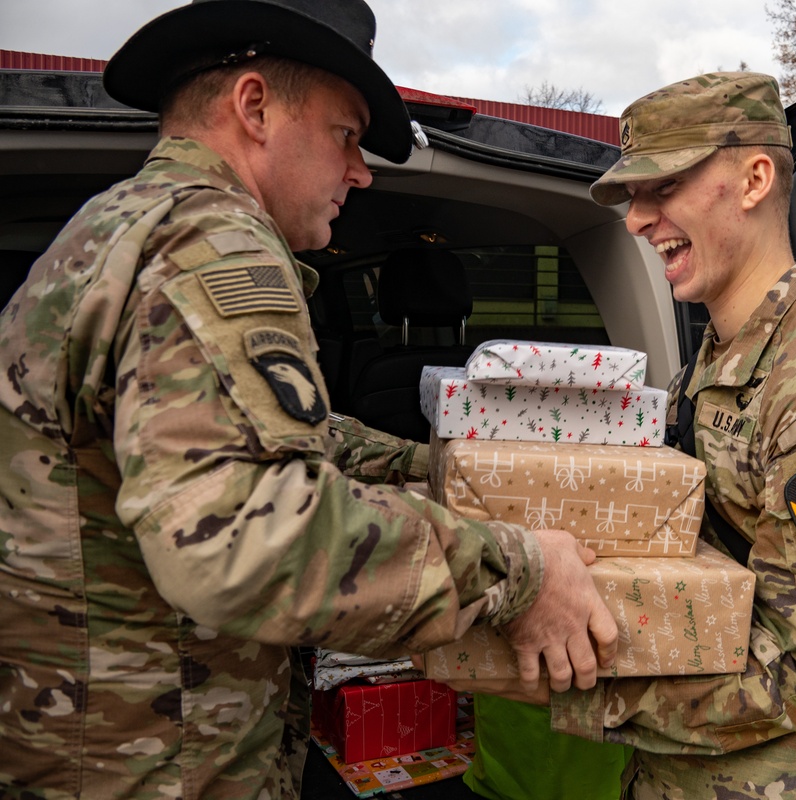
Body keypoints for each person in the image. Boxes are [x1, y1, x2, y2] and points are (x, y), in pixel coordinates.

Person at [0, 1, 618, 797]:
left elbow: (288, 440)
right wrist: (520, 571)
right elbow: (240, 536)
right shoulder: (213, 240)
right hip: (150, 761)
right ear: (254, 107)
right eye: (347, 136)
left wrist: (455, 469)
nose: (361, 172)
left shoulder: (121, 224)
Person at [451, 73, 796, 800]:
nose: (638, 220)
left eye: (662, 187)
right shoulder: (703, 373)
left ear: (754, 179)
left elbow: (794, 680)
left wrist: (555, 686)